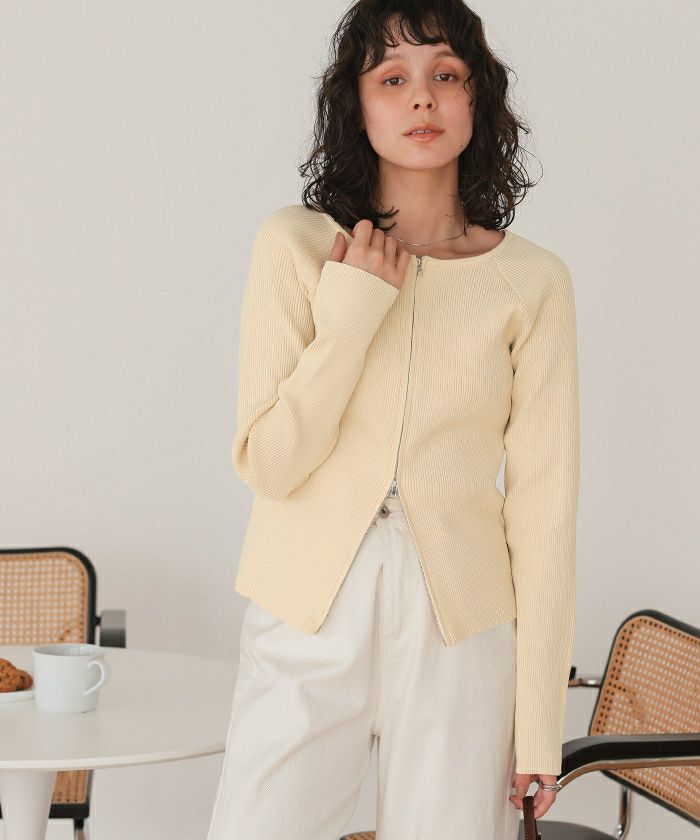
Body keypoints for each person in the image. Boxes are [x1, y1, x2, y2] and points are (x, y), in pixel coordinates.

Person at [207, 1, 579, 838]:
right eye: (392, 77)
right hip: (307, 609)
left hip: (462, 633)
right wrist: (352, 310)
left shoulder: (533, 281)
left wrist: (539, 724)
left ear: (478, 98)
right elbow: (270, 464)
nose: (421, 98)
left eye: (445, 74)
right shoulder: (296, 246)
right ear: (358, 103)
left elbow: (545, 510)